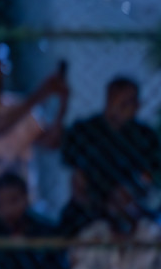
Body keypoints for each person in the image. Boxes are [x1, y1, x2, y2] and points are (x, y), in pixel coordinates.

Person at [0, 47, 68, 211]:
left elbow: (51, 142)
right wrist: (41, 94)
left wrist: (62, 102)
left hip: (24, 203)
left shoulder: (16, 104)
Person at [62, 76, 159, 204]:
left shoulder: (146, 137)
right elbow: (71, 167)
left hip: (133, 212)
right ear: (110, 100)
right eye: (124, 103)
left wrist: (137, 188)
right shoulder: (83, 131)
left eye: (134, 102)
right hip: (87, 209)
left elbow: (152, 175)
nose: (133, 107)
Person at [71, 178, 161, 269]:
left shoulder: (153, 235)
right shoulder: (93, 235)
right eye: (116, 201)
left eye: (127, 200)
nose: (122, 208)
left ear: (137, 202)